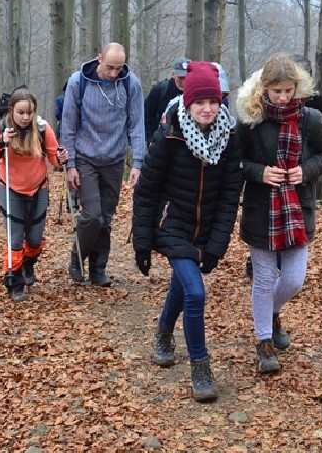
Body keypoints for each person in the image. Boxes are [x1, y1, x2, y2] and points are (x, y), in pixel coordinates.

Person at [132, 61, 242, 402]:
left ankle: (164, 332)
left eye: (213, 102)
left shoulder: (230, 137)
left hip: (206, 229)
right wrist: (142, 242)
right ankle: (200, 367)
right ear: (188, 102)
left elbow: (229, 196)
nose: (207, 109)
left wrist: (217, 246)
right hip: (173, 226)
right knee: (195, 292)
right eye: (200, 102)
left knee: (183, 285)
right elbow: (146, 190)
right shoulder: (169, 133)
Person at [235, 54, 322, 373]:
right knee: (264, 278)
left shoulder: (310, 118)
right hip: (260, 210)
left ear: (297, 87)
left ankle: (272, 312)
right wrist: (259, 172)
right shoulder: (251, 119)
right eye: (276, 91)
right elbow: (234, 162)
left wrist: (305, 171)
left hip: (297, 210)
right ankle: (264, 342)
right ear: (264, 89)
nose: (282, 97)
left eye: (288, 90)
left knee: (293, 280)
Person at [60, 42, 146, 287]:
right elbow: (68, 125)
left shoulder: (130, 83)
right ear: (99, 58)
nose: (113, 73)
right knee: (92, 216)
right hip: (85, 157)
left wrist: (137, 163)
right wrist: (71, 165)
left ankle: (98, 269)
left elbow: (137, 124)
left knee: (106, 217)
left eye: (119, 68)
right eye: (109, 67)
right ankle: (77, 258)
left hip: (114, 159)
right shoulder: (78, 82)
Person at [0, 89, 68, 301]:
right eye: (21, 113)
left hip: (38, 188)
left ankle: (28, 263)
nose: (26, 117)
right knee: (15, 238)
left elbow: (54, 159)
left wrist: (61, 157)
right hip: (9, 188)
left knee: (34, 239)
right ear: (11, 111)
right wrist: (0, 143)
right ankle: (14, 281)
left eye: (30, 113)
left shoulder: (43, 129)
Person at [143, 56, 189, 141]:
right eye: (181, 77)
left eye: (187, 78)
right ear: (173, 74)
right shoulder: (160, 90)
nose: (184, 82)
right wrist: (149, 139)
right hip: (160, 141)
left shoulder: (195, 94)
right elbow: (146, 115)